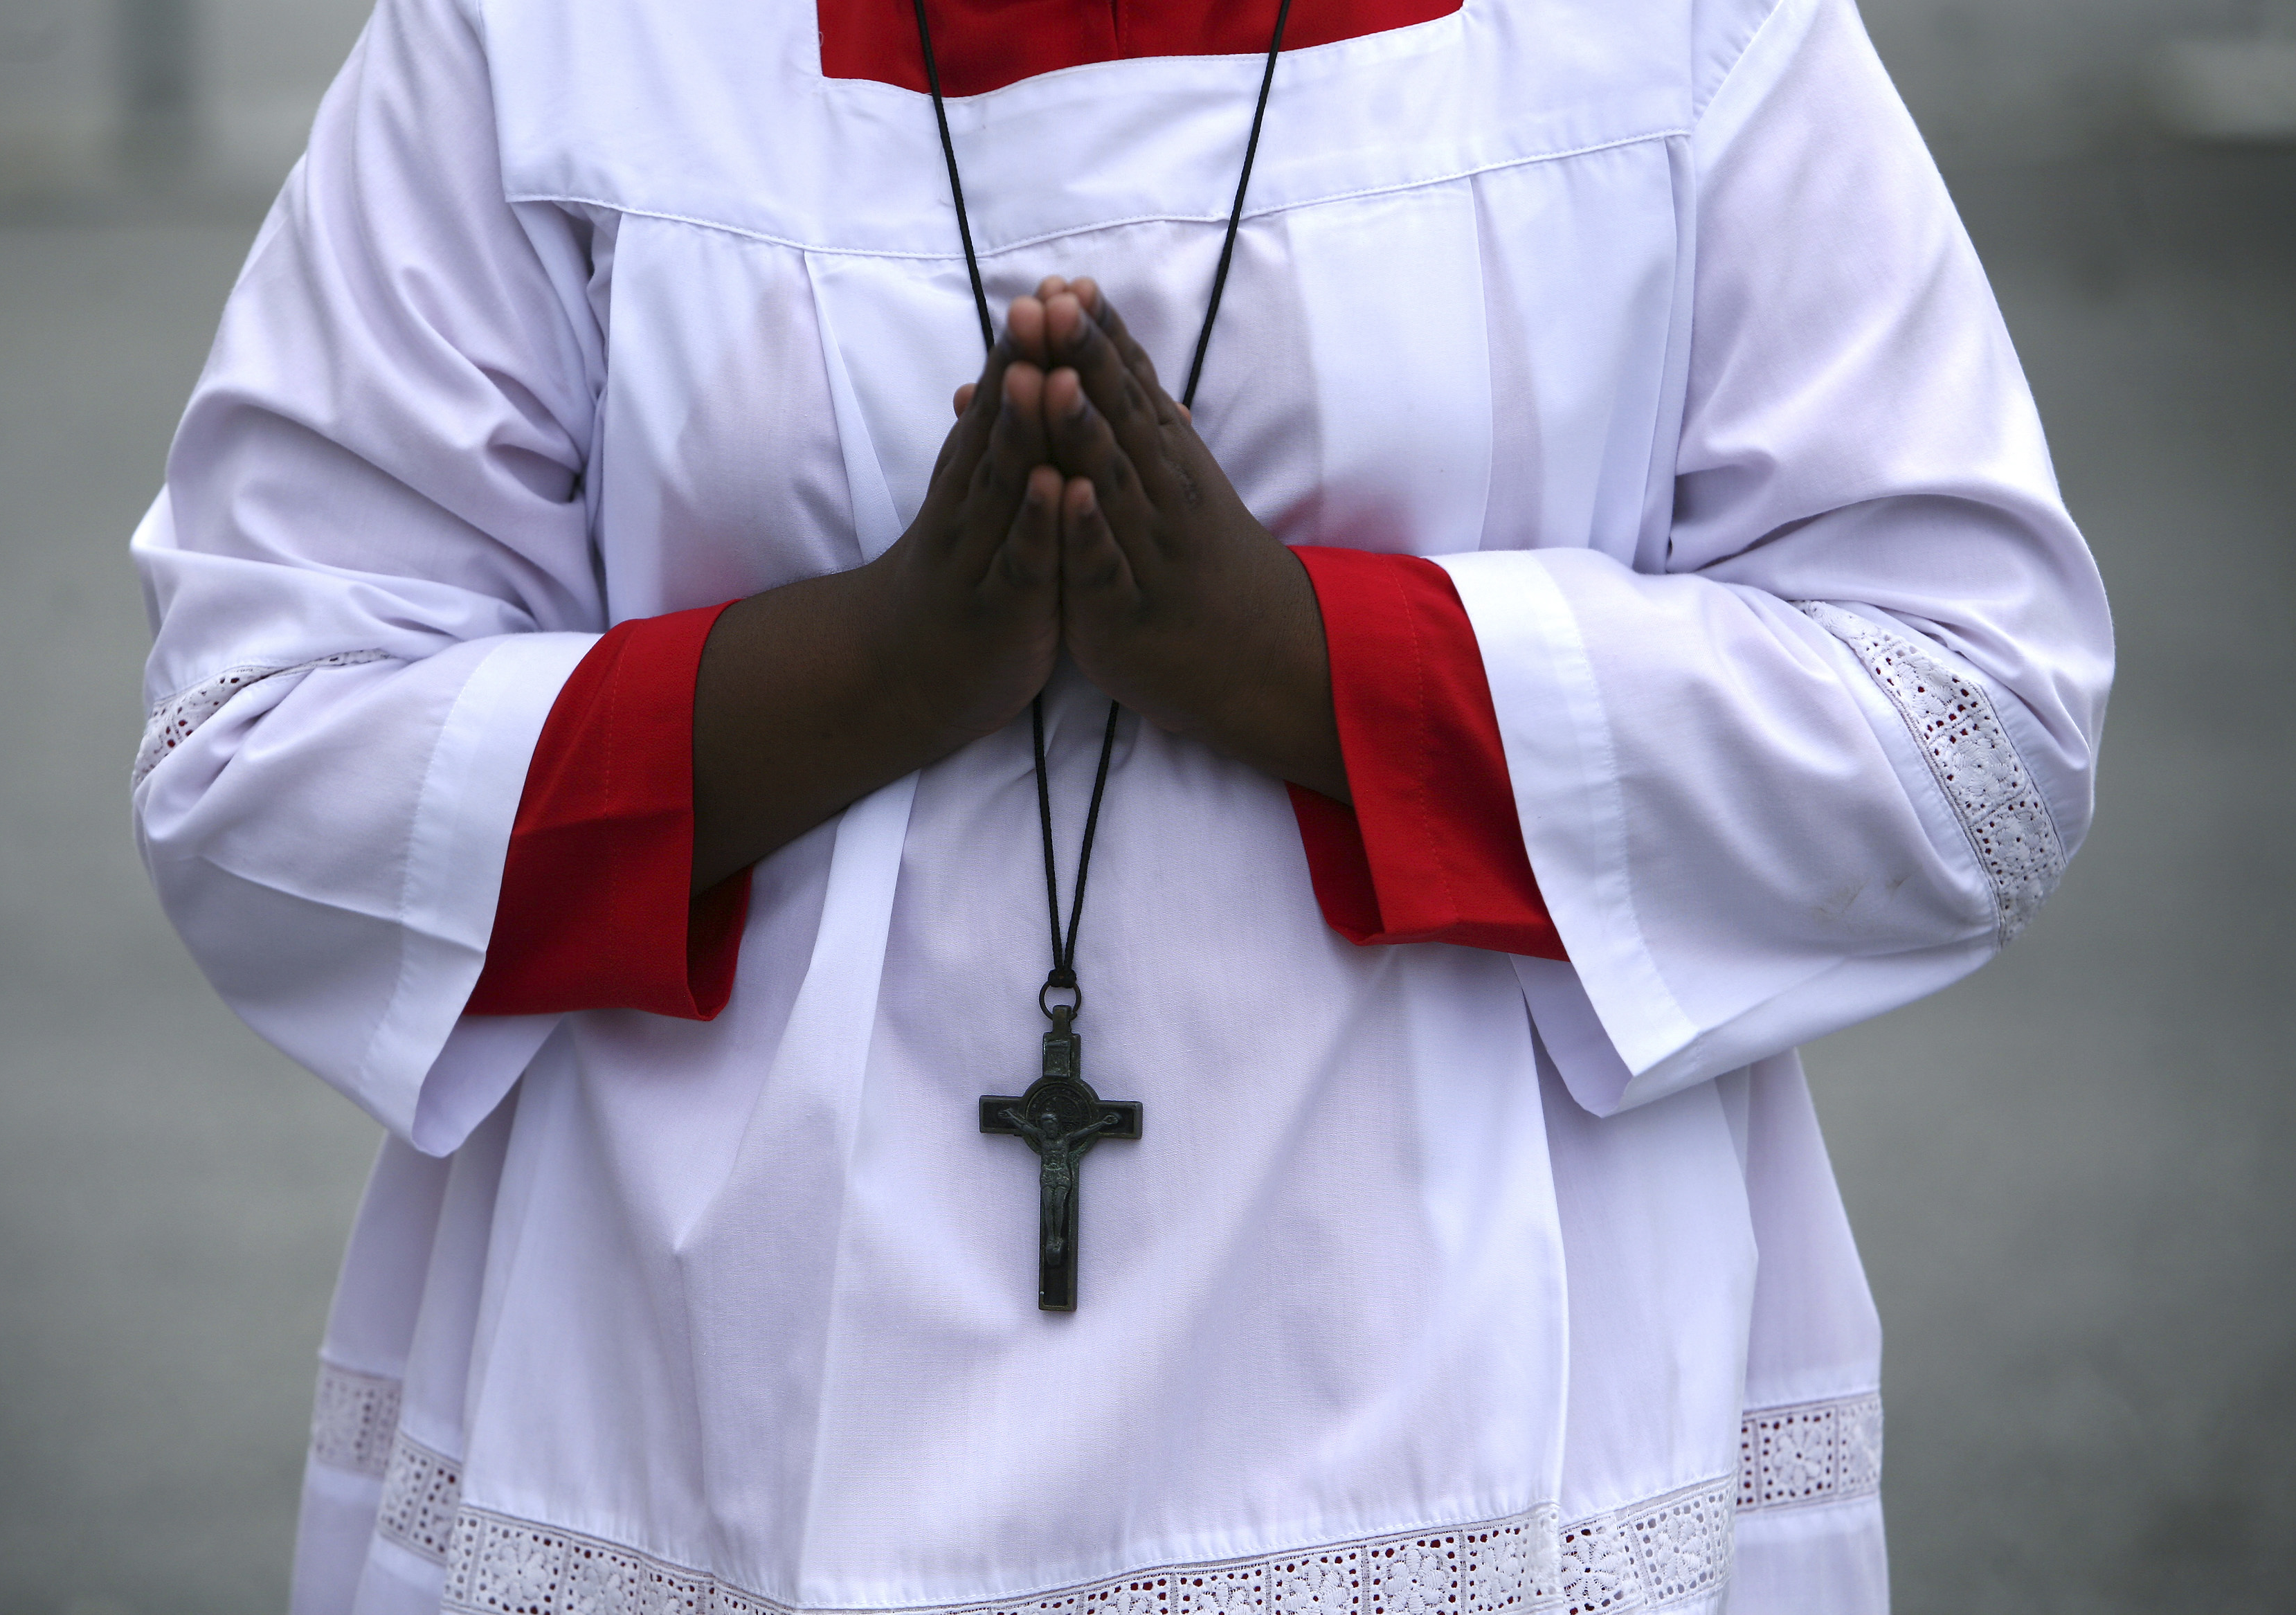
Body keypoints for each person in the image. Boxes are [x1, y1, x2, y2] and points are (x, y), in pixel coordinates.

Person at [128, 0, 2111, 1610]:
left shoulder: (1659, 34)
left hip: (1480, 1434)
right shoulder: (551, 41)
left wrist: (1311, 664)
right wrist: (865, 672)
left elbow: (1967, 721)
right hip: (705, 1419)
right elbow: (259, 749)